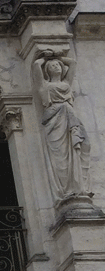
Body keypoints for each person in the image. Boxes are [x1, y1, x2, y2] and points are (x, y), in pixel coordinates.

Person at [33, 50, 90, 200]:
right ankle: (67, 190)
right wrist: (46, 57)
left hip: (69, 118)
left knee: (78, 149)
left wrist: (57, 56)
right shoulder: (44, 85)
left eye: (58, 65)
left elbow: (73, 63)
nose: (56, 66)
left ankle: (77, 187)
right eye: (52, 66)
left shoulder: (66, 83)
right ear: (47, 70)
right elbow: (36, 65)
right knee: (59, 155)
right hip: (54, 119)